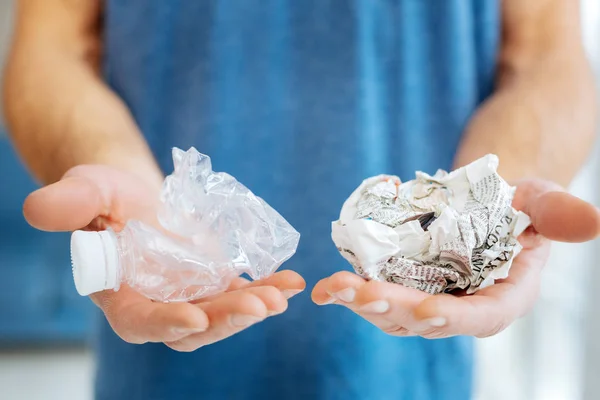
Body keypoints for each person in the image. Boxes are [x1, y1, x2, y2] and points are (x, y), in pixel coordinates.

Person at [3, 0, 599, 399]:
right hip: (161, 368)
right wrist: (110, 166)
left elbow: (546, 58)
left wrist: (495, 203)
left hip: (410, 367)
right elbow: (51, 48)